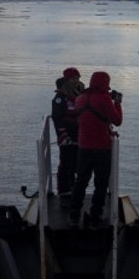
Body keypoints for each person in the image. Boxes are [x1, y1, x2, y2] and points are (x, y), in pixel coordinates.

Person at [68, 71, 123, 226]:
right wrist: (117, 103)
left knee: (81, 182)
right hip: (102, 148)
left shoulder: (80, 98)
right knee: (101, 183)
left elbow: (87, 120)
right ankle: (95, 214)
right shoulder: (105, 98)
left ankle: (74, 214)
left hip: (83, 148)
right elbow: (117, 120)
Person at [51, 67, 83, 196]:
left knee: (76, 162)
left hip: (78, 134)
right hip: (66, 135)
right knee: (65, 162)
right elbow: (57, 117)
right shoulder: (60, 98)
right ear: (67, 80)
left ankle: (72, 187)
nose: (76, 81)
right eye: (74, 78)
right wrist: (62, 134)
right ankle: (64, 190)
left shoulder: (79, 94)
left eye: (77, 78)